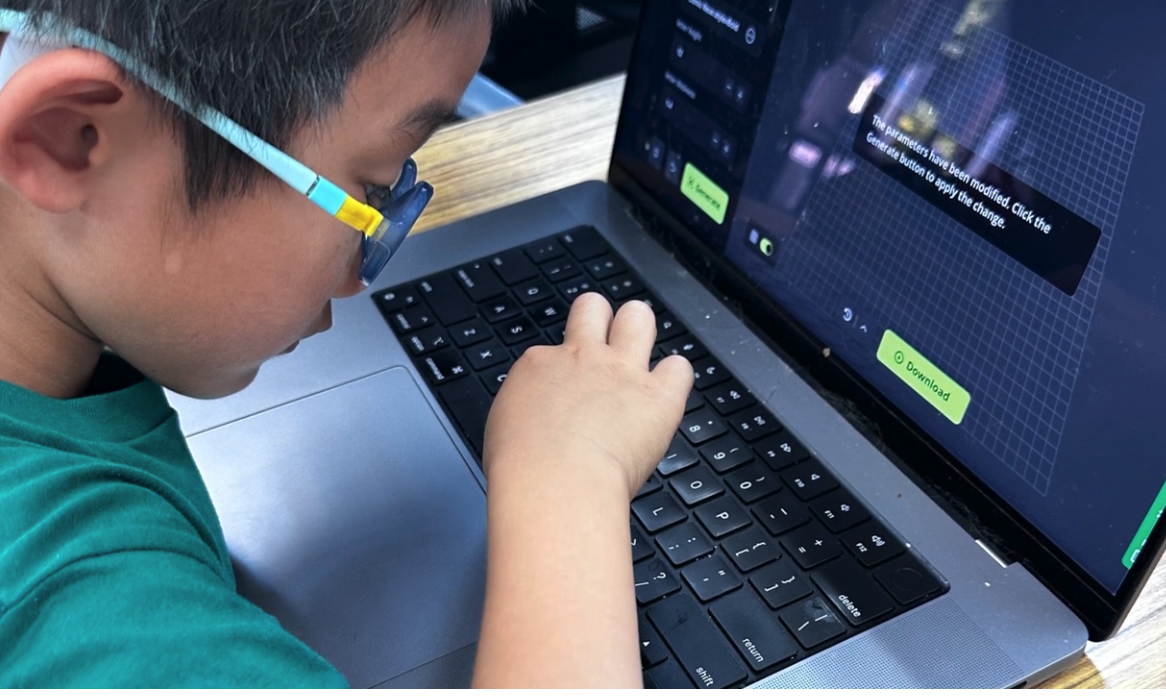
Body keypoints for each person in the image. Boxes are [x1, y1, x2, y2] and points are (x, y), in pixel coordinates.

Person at [0, 0, 693, 688]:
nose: (357, 281)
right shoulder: (83, 607)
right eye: (373, 187)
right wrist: (569, 477)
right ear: (72, 136)